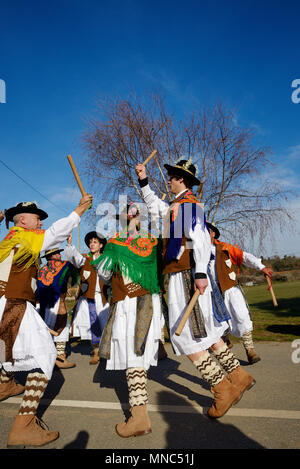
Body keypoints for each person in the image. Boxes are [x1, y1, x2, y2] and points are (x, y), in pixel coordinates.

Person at [135, 159, 255, 419]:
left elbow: (200, 240)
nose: (168, 180)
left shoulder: (188, 206)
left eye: (172, 177)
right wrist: (143, 180)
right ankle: (239, 375)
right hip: (185, 274)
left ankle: (222, 389)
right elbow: (155, 206)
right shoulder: (177, 205)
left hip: (187, 275)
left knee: (183, 337)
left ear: (181, 179)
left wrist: (200, 273)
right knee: (206, 333)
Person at [0, 194, 92, 448]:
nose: (39, 221)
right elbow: (54, 233)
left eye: (40, 218)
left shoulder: (9, 240)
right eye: (36, 217)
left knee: (6, 353)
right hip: (13, 304)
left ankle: (5, 384)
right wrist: (79, 210)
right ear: (21, 220)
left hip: (5, 303)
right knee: (45, 356)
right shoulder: (25, 237)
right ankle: (24, 425)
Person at [96, 202, 164, 437]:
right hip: (149, 303)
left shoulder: (114, 242)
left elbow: (104, 274)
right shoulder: (153, 242)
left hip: (127, 303)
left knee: (132, 356)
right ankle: (140, 414)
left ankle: (139, 417)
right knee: (139, 355)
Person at [207, 222, 273, 364]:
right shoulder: (196, 251)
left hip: (232, 290)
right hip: (212, 293)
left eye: (208, 230)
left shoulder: (226, 248)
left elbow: (245, 256)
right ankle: (225, 342)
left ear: (213, 233)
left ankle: (250, 351)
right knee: (217, 322)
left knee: (242, 317)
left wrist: (261, 267)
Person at [64, 231, 110, 365]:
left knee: (106, 322)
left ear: (101, 245)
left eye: (95, 242)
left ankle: (107, 349)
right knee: (92, 322)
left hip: (104, 296)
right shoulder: (85, 259)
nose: (92, 244)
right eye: (90, 242)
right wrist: (70, 244)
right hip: (89, 297)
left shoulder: (107, 259)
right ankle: (96, 352)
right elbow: (74, 257)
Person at [36, 248, 78, 369]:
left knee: (47, 329)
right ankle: (59, 357)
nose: (59, 254)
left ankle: (50, 357)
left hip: (44, 303)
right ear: (51, 256)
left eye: (59, 252)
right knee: (62, 326)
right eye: (56, 253)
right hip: (56, 301)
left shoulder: (42, 269)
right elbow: (74, 279)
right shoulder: (65, 266)